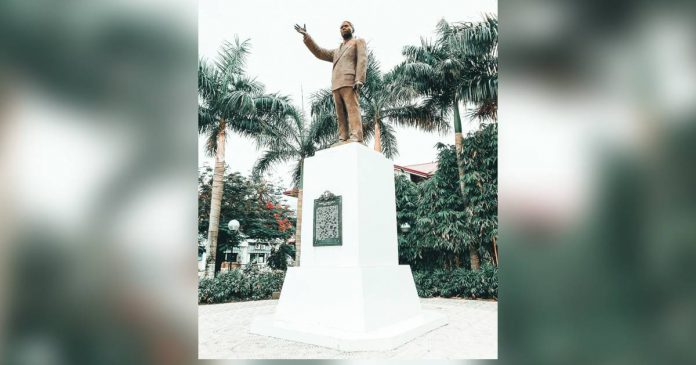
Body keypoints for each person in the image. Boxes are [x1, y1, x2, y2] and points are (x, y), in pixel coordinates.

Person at [294, 21, 367, 145]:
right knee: (340, 113)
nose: (344, 28)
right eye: (341, 27)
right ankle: (343, 137)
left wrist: (359, 79)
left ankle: (356, 135)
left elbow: (362, 59)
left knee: (352, 109)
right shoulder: (337, 51)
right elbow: (319, 52)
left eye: (346, 26)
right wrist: (307, 36)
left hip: (349, 82)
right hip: (336, 84)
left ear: (352, 29)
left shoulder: (358, 42)